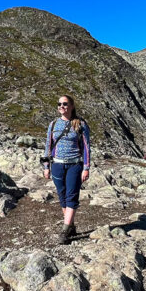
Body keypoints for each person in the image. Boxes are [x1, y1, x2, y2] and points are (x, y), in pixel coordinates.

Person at [42, 94, 91, 244]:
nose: (61, 106)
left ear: (71, 106)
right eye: (59, 104)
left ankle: (64, 230)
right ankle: (71, 226)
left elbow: (86, 148)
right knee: (62, 196)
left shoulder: (80, 124)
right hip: (57, 165)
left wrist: (86, 167)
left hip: (74, 165)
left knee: (71, 196)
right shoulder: (53, 124)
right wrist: (46, 166)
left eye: (64, 104)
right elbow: (48, 146)